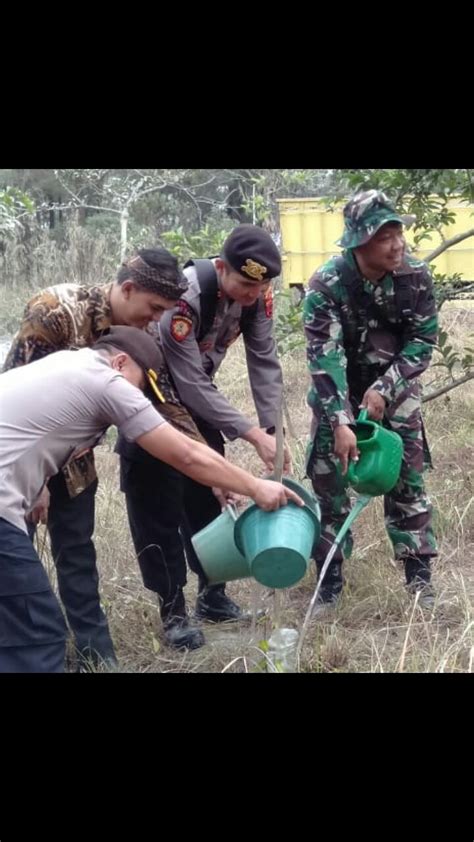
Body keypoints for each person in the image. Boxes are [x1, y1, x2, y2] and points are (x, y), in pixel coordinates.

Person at [0, 325, 303, 673]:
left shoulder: (68, 364)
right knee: (37, 633)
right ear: (120, 362)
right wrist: (256, 487)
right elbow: (185, 454)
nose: (139, 398)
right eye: (141, 385)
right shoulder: (106, 382)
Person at [1, 249, 193, 668]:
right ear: (127, 289)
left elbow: (165, 405)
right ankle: (28, 641)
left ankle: (95, 656)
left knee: (77, 553)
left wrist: (210, 468)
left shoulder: (140, 330)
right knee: (16, 556)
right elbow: (16, 386)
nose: (156, 320)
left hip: (76, 458)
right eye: (154, 308)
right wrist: (37, 488)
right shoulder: (54, 311)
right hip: (23, 459)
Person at [117, 224, 291, 649]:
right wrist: (249, 433)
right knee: (157, 510)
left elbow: (264, 362)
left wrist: (271, 431)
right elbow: (188, 382)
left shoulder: (258, 297)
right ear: (222, 267)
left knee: (214, 499)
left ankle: (213, 595)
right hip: (151, 401)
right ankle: (173, 610)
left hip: (199, 404)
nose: (252, 294)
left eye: (260, 285)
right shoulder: (186, 297)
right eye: (245, 283)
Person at [303, 190, 439, 611]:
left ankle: (420, 580)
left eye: (399, 233)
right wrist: (342, 421)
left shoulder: (415, 276)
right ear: (359, 242)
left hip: (395, 393)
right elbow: (323, 357)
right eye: (385, 237)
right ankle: (330, 579)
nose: (397, 244)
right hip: (336, 392)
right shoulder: (326, 284)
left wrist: (385, 388)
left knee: (407, 481)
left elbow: (422, 340)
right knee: (330, 484)